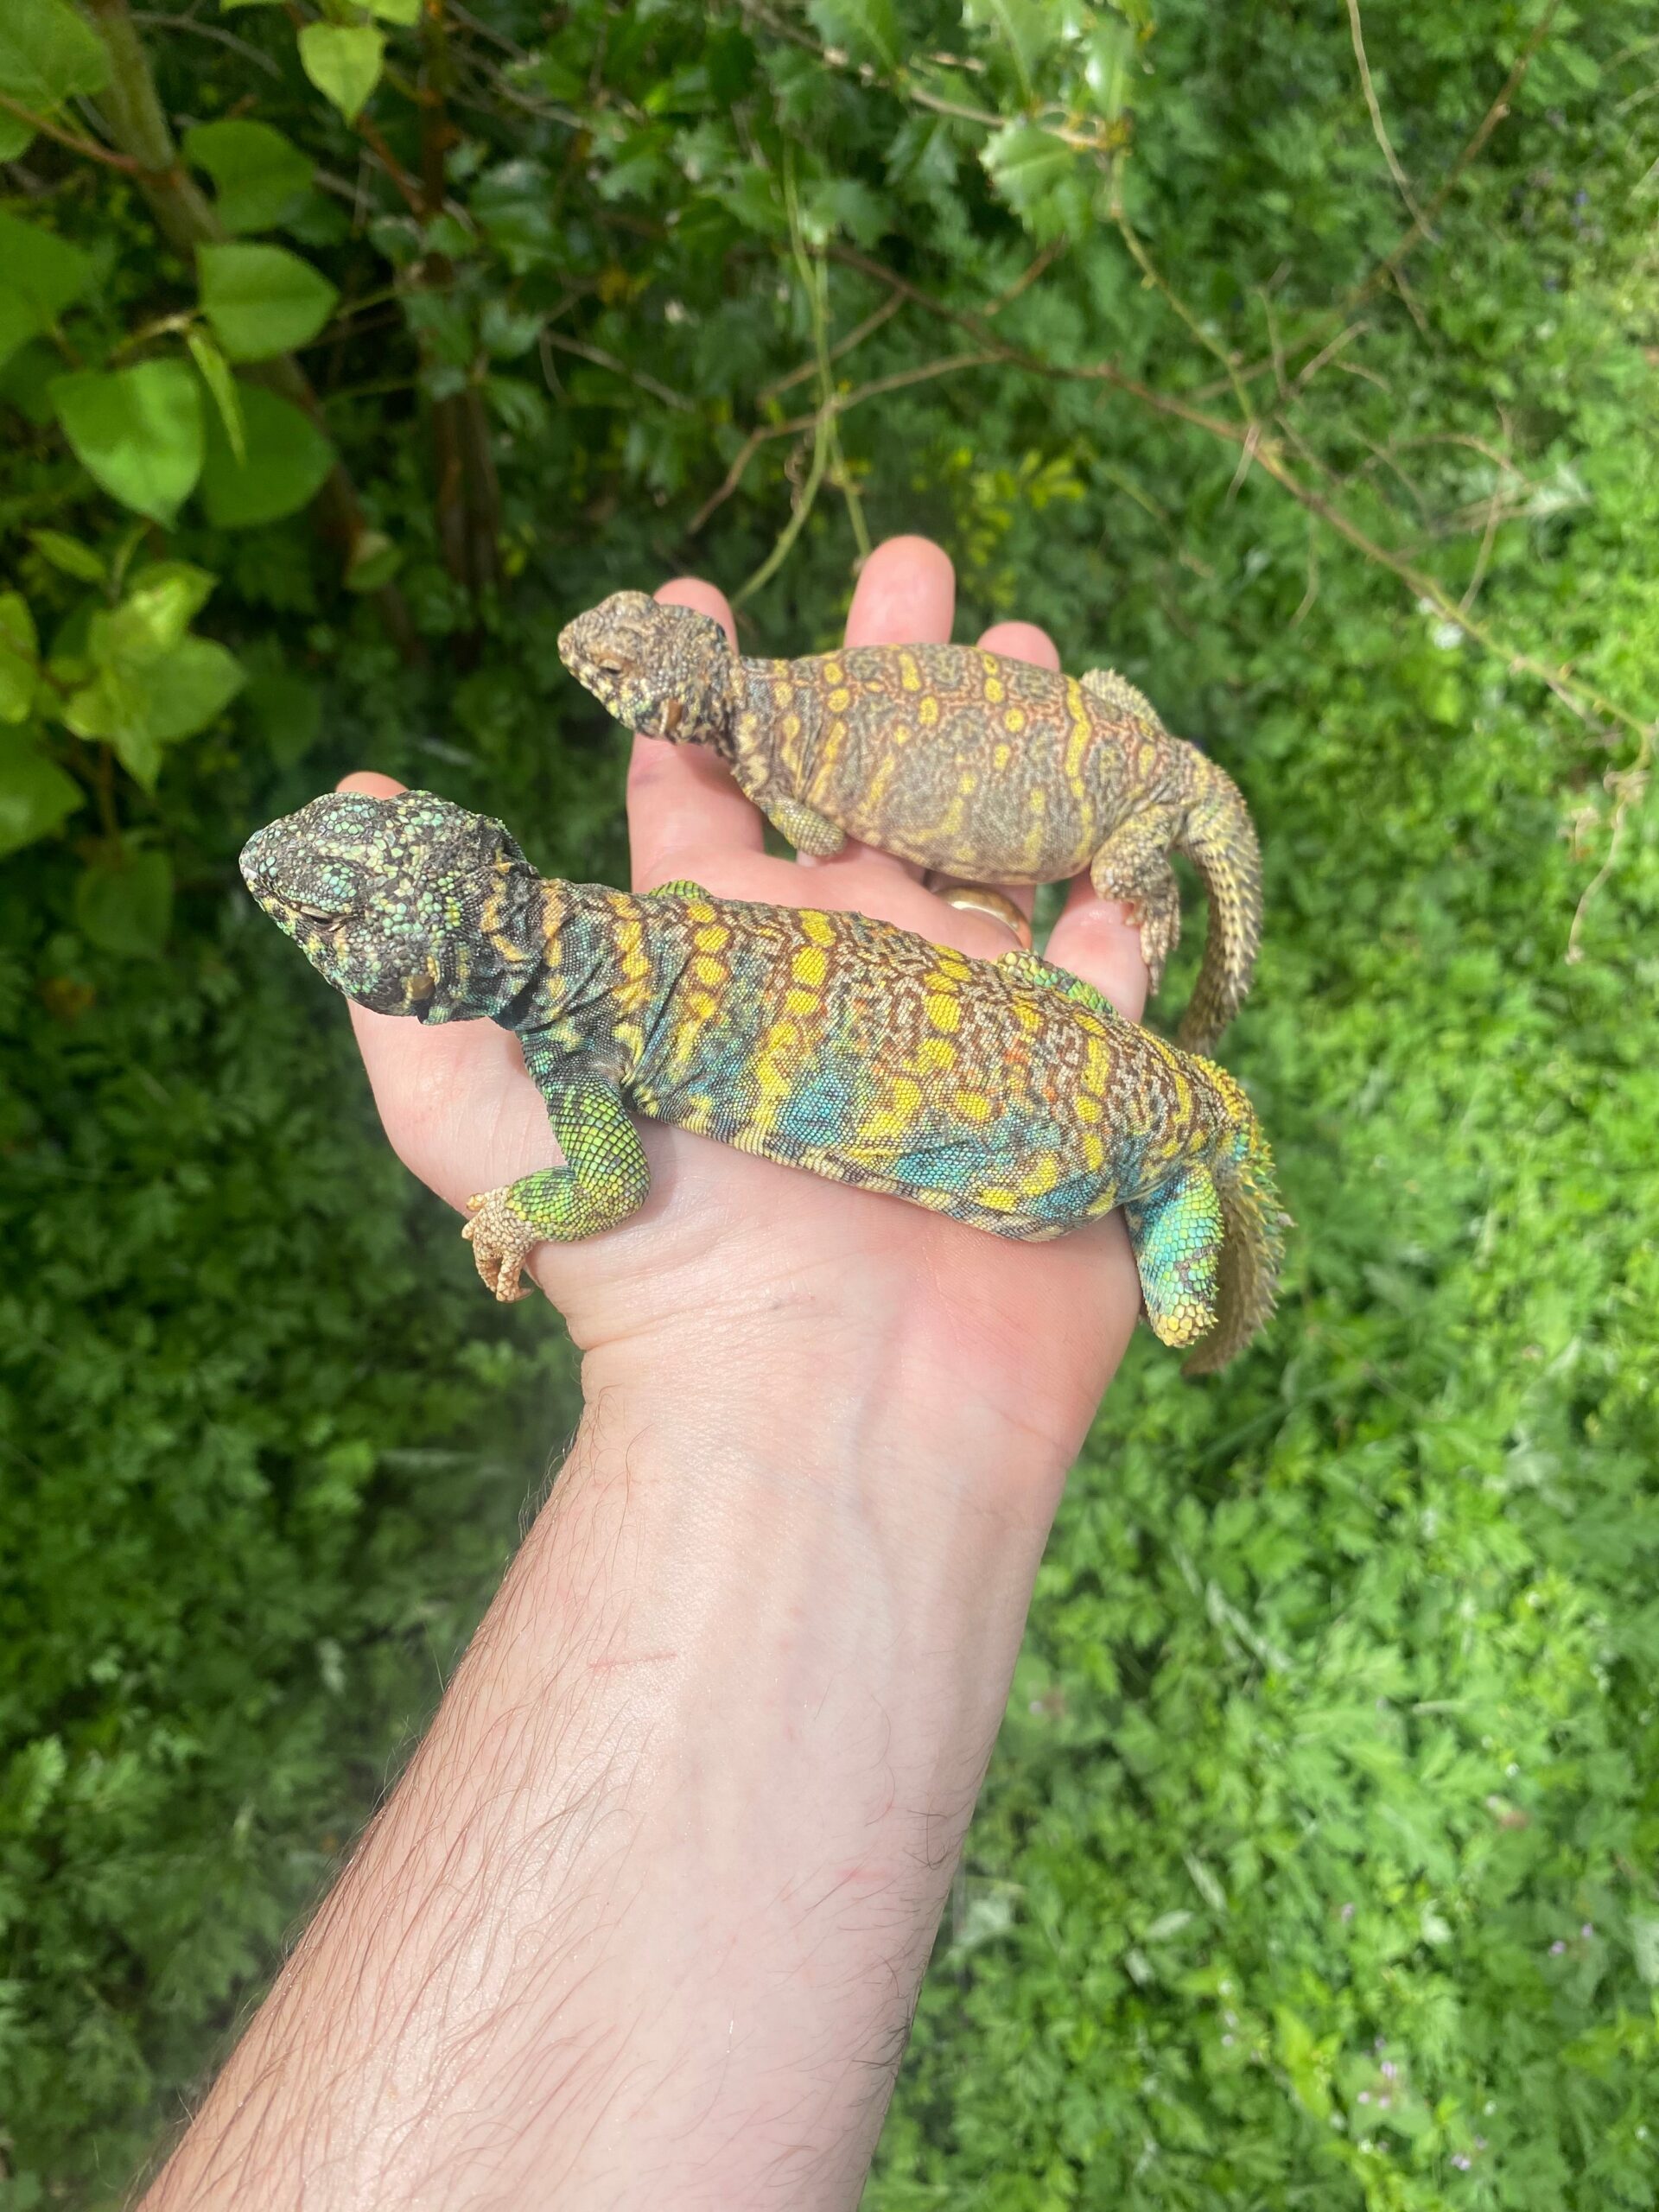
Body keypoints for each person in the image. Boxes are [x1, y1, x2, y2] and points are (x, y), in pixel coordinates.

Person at [143, 536, 1152, 2210]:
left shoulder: (575, 1038)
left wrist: (537, 1198)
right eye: (333, 893)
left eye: (338, 897)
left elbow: (602, 1179)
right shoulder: (604, 953)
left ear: (432, 960)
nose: (292, 877)